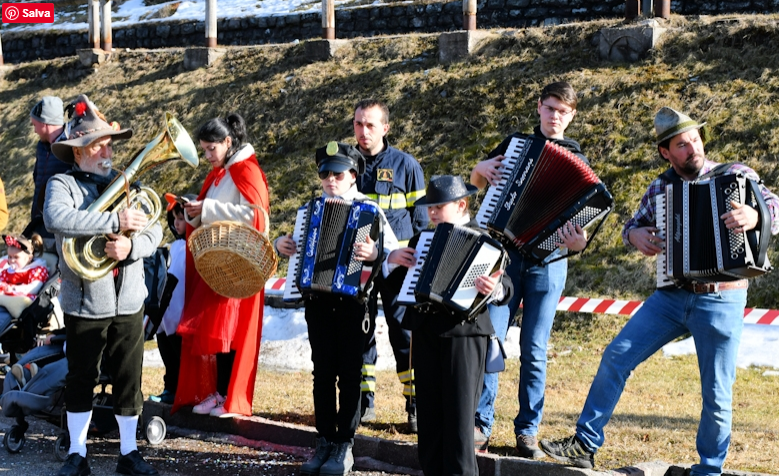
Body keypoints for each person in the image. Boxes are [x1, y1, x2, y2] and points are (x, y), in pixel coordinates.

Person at [539, 107, 779, 475]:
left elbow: (776, 205)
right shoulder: (660, 188)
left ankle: (709, 469)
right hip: (672, 296)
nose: (692, 149)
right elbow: (631, 227)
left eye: (695, 140)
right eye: (681, 145)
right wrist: (635, 235)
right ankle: (585, 444)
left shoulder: (735, 175)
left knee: (716, 393)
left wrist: (756, 215)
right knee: (616, 356)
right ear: (666, 152)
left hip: (722, 295)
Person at [44, 94, 161, 476]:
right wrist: (112, 224)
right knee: (82, 378)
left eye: (109, 143)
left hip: (128, 301)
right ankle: (77, 454)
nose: (107, 150)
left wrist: (130, 247)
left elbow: (155, 230)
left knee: (130, 379)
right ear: (79, 152)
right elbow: (56, 218)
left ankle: (129, 453)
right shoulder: (62, 183)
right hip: (84, 303)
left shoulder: (128, 183)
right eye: (99, 145)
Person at [469, 81, 588, 455]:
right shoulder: (514, 144)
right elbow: (477, 186)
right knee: (491, 339)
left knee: (535, 348)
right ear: (539, 107)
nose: (555, 116)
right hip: (505, 255)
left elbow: (582, 237)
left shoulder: (579, 161)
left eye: (563, 111)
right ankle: (480, 423)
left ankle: (527, 431)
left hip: (549, 262)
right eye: (550, 108)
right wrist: (478, 169)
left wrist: (575, 242)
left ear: (572, 116)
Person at [275, 141, 399, 476]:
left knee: (349, 373)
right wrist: (281, 244)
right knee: (322, 372)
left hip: (354, 305)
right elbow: (297, 247)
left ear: (353, 175)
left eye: (338, 173)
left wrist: (376, 254)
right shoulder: (310, 210)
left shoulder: (369, 209)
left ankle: (345, 442)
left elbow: (393, 255)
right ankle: (325, 439)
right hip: (318, 301)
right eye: (325, 173)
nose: (330, 179)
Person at [385, 175, 512, 475]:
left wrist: (495, 289)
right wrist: (392, 260)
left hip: (465, 336)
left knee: (459, 418)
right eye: (430, 207)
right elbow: (397, 285)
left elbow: (506, 285)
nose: (431, 213)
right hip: (427, 333)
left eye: (438, 207)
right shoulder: (421, 241)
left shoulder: (486, 241)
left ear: (461, 205)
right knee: (429, 418)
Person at [173, 113, 269, 419]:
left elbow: (256, 218)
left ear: (228, 142)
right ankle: (217, 393)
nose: (206, 156)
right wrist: (192, 213)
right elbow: (209, 216)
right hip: (218, 264)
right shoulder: (221, 173)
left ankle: (231, 397)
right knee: (217, 332)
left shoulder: (247, 170)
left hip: (239, 266)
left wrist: (209, 208)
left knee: (232, 332)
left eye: (210, 149)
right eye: (204, 150)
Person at [352, 99, 428, 431]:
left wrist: (417, 263)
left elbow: (422, 221)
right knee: (359, 332)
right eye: (358, 124)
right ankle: (363, 403)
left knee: (405, 333)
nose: (363, 131)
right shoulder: (346, 164)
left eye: (370, 125)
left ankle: (415, 404)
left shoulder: (406, 166)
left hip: (398, 267)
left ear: (385, 127)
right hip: (358, 265)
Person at [148, 193, 194, 405]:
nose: (176, 223)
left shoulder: (192, 247)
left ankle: (182, 389)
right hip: (167, 308)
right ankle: (171, 388)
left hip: (181, 310)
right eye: (174, 218)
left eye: (181, 218)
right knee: (167, 350)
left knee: (180, 352)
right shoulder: (174, 246)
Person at [30, 96, 70, 222]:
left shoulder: (71, 147)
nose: (35, 130)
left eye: (35, 125)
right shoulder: (41, 147)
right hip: (38, 222)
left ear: (44, 124)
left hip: (58, 225)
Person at [0, 233, 48, 333]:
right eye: (9, 257)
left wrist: (14, 289)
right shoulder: (7, 271)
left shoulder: (36, 270)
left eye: (16, 257)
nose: (11, 260)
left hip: (21, 300)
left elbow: (34, 287)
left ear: (29, 257)